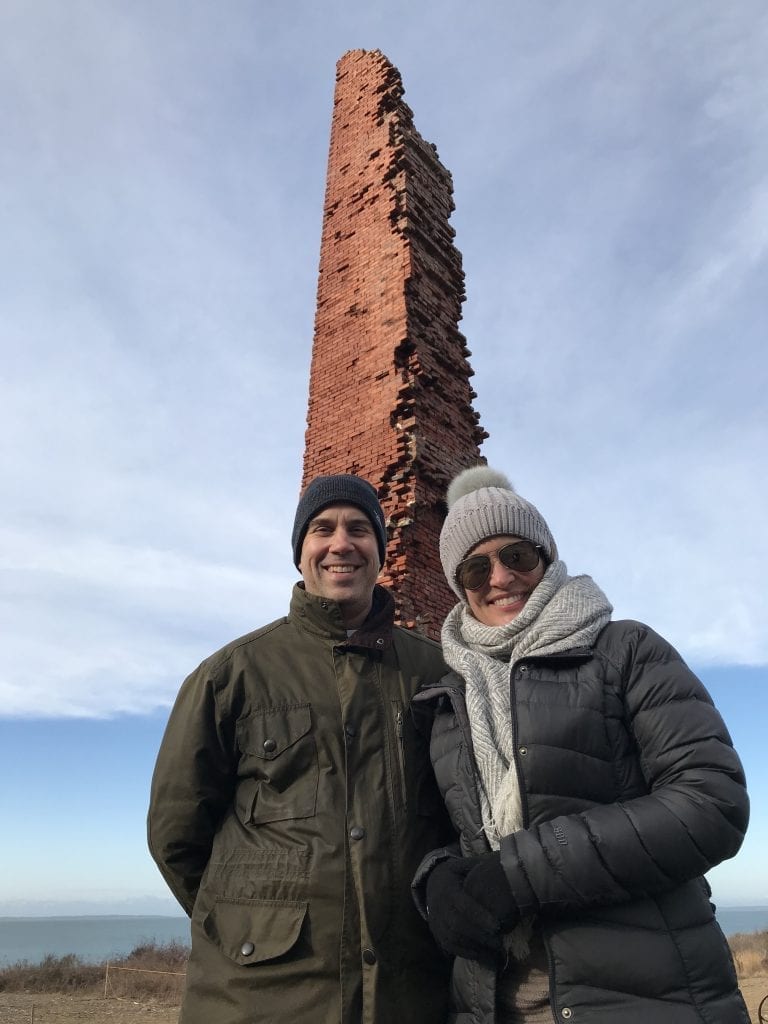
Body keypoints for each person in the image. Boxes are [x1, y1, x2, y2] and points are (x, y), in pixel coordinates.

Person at [412, 465, 750, 1024]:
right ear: (459, 586)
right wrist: (437, 881)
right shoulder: (446, 700)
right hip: (496, 1002)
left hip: (645, 996)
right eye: (475, 569)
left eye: (516, 556)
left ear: (545, 557)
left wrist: (524, 872)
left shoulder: (625, 651)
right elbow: (446, 836)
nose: (499, 578)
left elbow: (711, 801)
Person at [148, 474, 452, 1024]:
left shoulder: (435, 674)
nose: (342, 543)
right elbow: (176, 834)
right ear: (301, 552)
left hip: (409, 995)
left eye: (360, 529)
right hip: (259, 1000)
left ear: (381, 552)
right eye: (322, 528)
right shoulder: (231, 675)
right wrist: (250, 923)